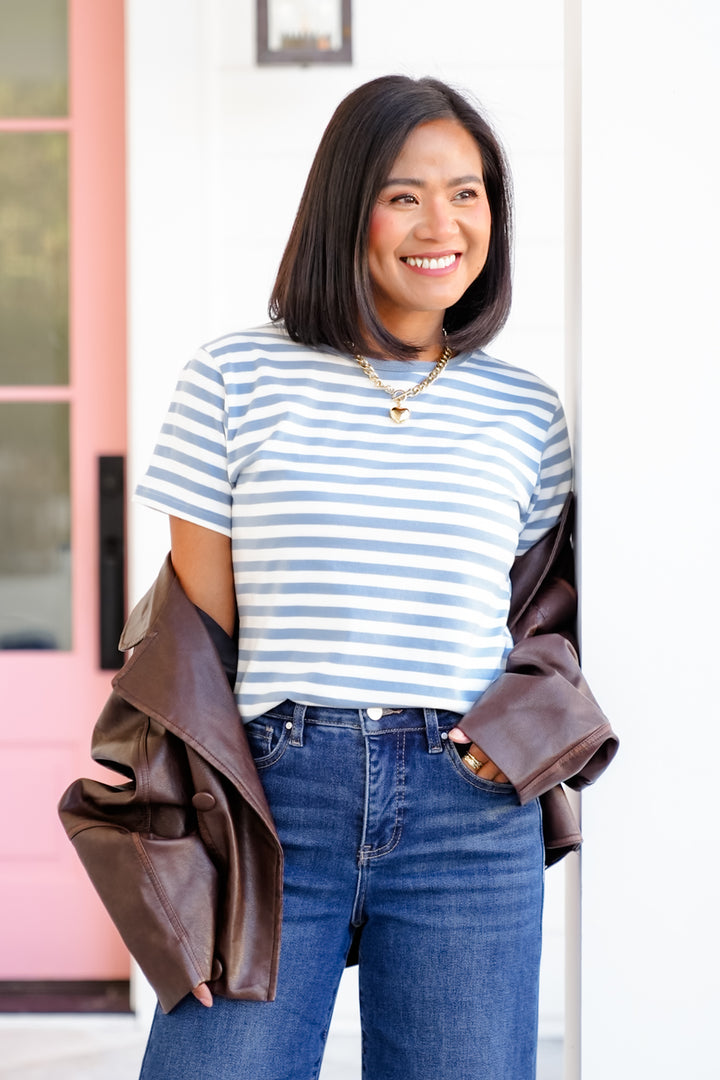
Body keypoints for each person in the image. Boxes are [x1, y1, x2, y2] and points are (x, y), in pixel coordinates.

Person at [59, 75, 617, 1079]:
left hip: (468, 805)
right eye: (403, 194)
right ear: (345, 207)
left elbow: (539, 619)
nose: (440, 223)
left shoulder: (527, 413)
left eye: (469, 191)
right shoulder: (233, 376)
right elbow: (202, 641)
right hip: (277, 796)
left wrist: (503, 747)